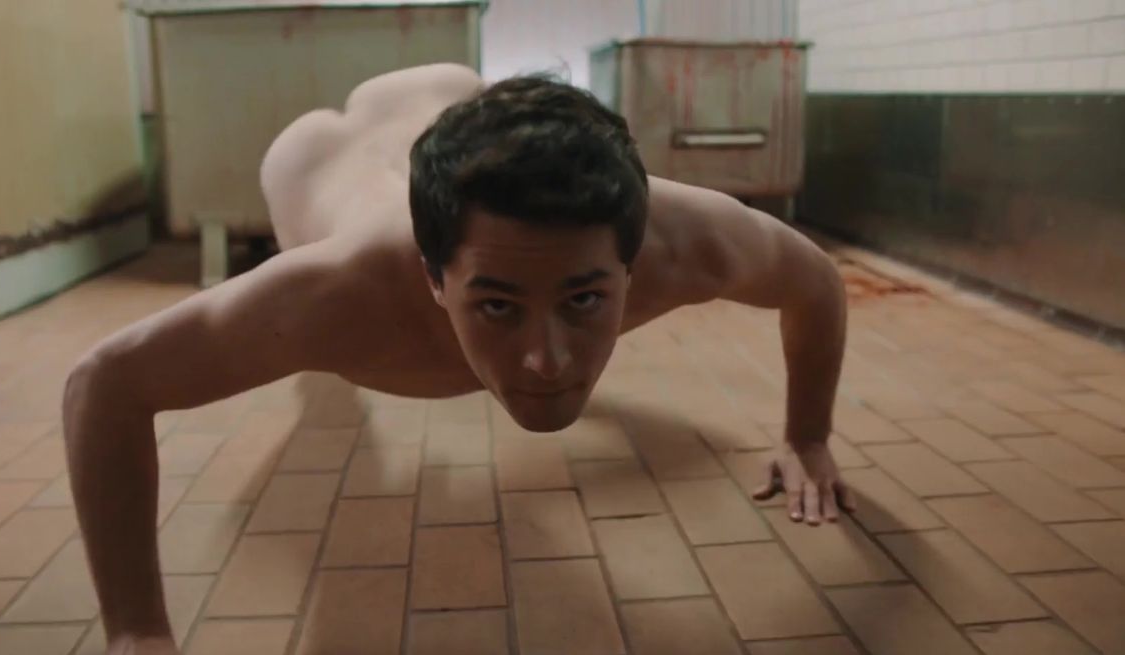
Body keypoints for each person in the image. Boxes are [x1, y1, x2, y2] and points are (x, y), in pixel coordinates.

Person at [63, 63, 854, 654]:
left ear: (632, 264)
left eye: (584, 299)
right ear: (434, 280)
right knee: (317, 364)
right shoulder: (334, 295)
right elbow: (104, 383)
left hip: (446, 93)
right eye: (498, 306)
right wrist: (137, 631)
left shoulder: (689, 240)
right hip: (315, 161)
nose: (545, 360)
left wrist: (808, 434)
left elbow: (816, 282)